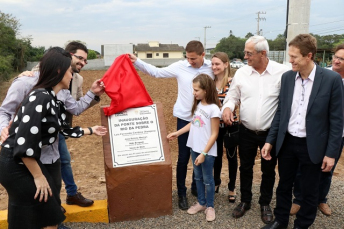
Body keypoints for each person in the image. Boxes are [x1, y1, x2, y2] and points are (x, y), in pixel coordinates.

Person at [0, 48, 107, 229]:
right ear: (58, 71)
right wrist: (39, 176)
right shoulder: (40, 98)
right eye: (69, 71)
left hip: (24, 161)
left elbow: (59, 129)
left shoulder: (51, 97)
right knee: (49, 217)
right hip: (17, 164)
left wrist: (90, 130)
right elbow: (24, 145)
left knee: (37, 216)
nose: (72, 76)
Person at [261, 34, 343, 229]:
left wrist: (331, 154)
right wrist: (270, 140)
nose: (290, 61)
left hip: (313, 145)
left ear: (309, 56)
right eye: (290, 56)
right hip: (288, 142)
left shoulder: (331, 80)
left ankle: (302, 224)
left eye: (294, 57)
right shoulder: (288, 77)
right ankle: (281, 221)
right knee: (284, 184)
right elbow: (281, 112)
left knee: (309, 189)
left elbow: (336, 120)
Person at [128, 41, 214, 210]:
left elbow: (224, 77)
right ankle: (181, 193)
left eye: (193, 59)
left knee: (201, 155)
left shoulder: (211, 67)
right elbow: (156, 72)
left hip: (204, 120)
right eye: (188, 58)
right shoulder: (180, 66)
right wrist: (136, 61)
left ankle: (197, 188)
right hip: (184, 118)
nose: (190, 61)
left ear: (203, 55)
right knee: (183, 158)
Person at [221, 35, 290, 224]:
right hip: (246, 131)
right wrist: (227, 107)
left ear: (263, 53)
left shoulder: (283, 73)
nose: (245, 57)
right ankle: (245, 200)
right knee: (245, 167)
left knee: (268, 169)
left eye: (249, 53)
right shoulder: (242, 73)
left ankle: (265, 203)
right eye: (245, 52)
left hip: (270, 134)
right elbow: (232, 96)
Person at [290, 43, 344, 217]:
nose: (337, 61)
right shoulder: (323, 77)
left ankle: (321, 199)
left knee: (327, 168)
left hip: (337, 133)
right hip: (317, 133)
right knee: (304, 169)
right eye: (336, 56)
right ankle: (299, 199)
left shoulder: (334, 81)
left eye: (342, 59)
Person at [167, 74, 220, 222]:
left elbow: (215, 134)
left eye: (196, 90)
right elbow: (194, 123)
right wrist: (177, 133)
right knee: (197, 177)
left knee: (208, 179)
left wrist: (204, 153)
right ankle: (202, 203)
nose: (193, 93)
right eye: (193, 89)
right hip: (194, 148)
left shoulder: (213, 109)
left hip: (206, 152)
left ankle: (210, 206)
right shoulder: (199, 106)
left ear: (206, 90)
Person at [211, 52, 238, 202]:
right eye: (213, 64)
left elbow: (237, 101)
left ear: (226, 64)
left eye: (217, 64)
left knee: (232, 157)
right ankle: (216, 183)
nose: (214, 67)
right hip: (215, 126)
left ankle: (232, 188)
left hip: (230, 126)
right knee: (216, 157)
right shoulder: (209, 82)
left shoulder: (233, 83)